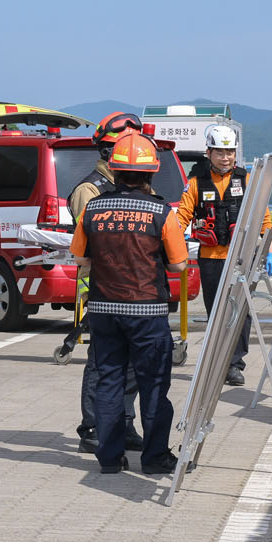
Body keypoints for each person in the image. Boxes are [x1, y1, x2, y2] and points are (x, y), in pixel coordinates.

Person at [72, 132, 189, 475]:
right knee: (153, 385)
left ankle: (110, 458)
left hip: (104, 310)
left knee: (108, 382)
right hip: (147, 311)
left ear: (114, 169)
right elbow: (179, 265)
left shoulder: (93, 208)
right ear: (151, 173)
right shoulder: (161, 212)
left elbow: (80, 258)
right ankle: (154, 458)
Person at [166, 124, 272, 387]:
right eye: (220, 152)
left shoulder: (247, 180)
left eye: (230, 152)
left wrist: (270, 251)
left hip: (241, 257)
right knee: (216, 312)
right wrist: (170, 246)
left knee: (241, 312)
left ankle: (234, 365)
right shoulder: (195, 183)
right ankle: (216, 361)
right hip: (211, 258)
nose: (226, 157)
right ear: (209, 153)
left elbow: (264, 217)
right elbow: (181, 219)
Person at [69, 112, 145, 453]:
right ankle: (93, 427)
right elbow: (93, 242)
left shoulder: (137, 187)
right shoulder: (89, 190)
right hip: (101, 288)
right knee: (103, 362)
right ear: (106, 151)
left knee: (132, 364)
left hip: (136, 289)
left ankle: (123, 424)